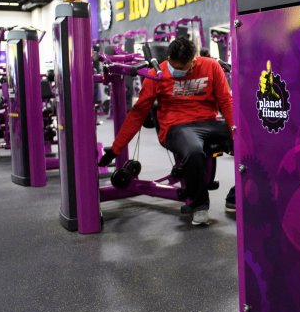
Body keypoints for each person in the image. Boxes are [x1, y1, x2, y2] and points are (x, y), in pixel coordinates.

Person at [99, 37, 234, 226]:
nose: (176, 70)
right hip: (177, 127)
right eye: (174, 66)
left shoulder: (211, 66)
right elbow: (138, 114)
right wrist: (115, 149)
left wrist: (236, 131)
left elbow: (226, 102)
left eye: (182, 67)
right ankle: (199, 205)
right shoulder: (157, 73)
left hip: (209, 122)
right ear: (168, 58)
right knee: (194, 150)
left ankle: (237, 195)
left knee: (248, 139)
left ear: (193, 61)